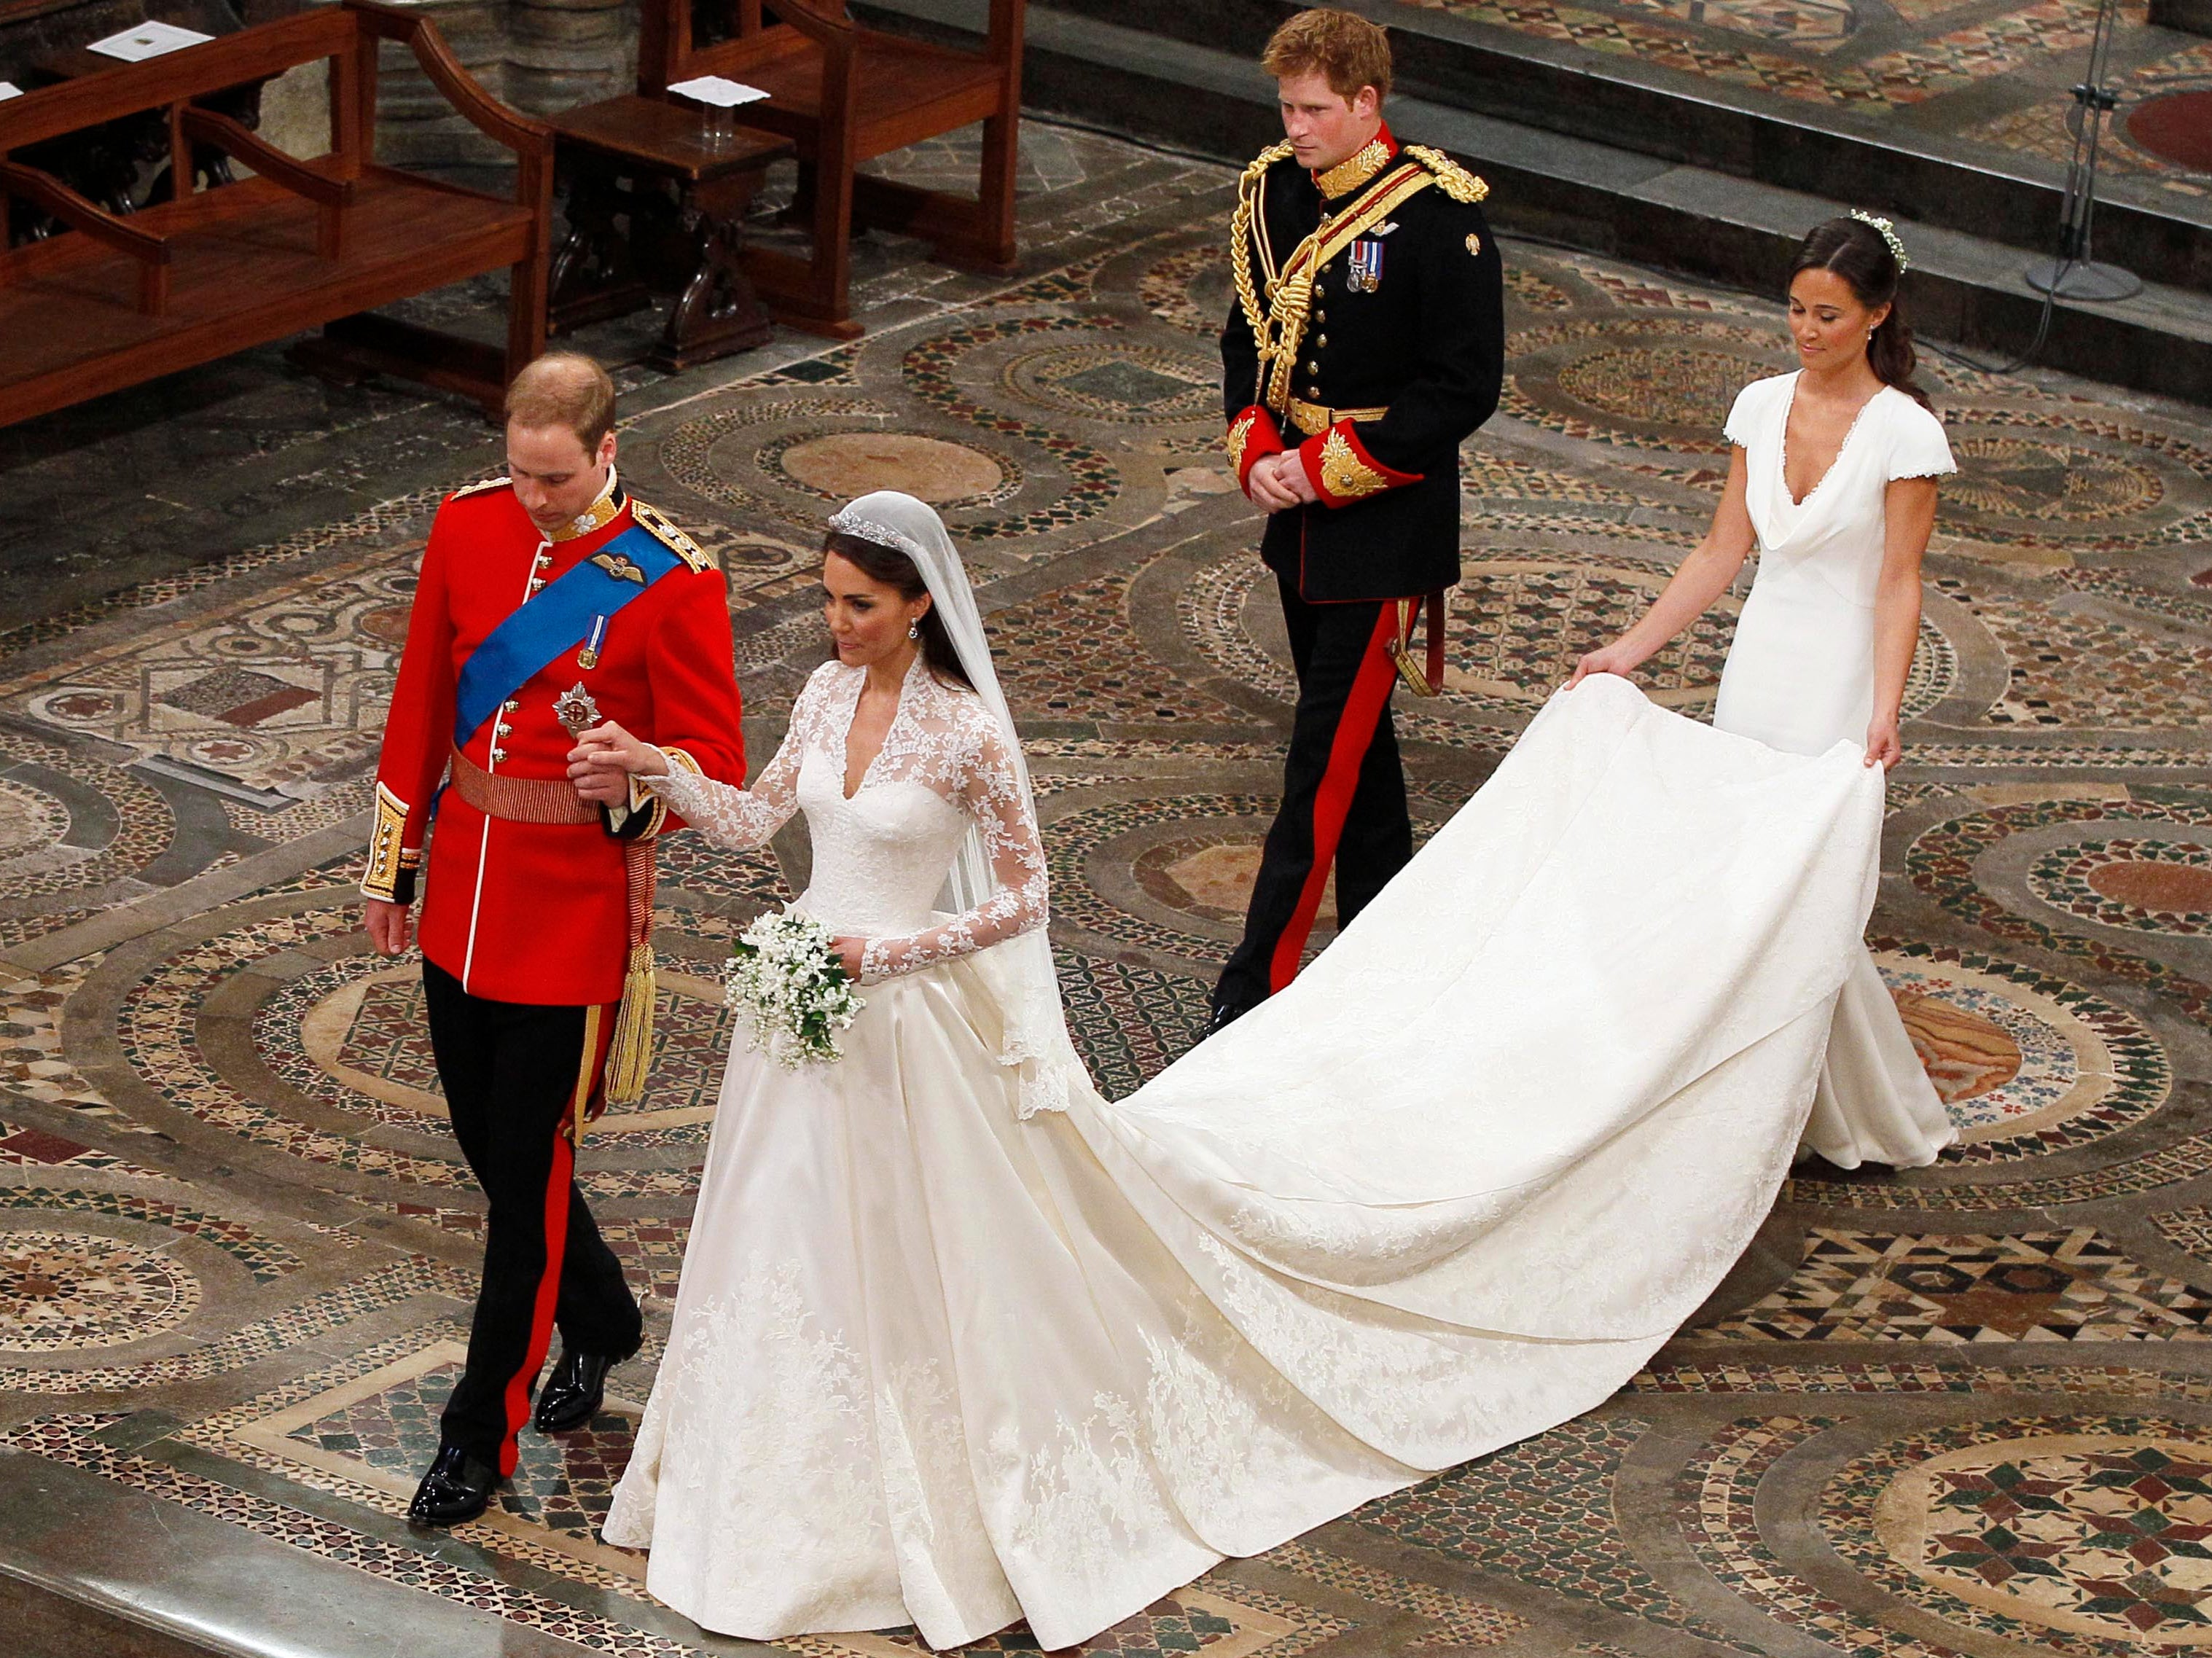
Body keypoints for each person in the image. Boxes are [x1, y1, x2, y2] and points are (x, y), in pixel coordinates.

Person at [574, 493, 1887, 1651]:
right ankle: (755, 1493)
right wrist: (661, 771)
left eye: (859, 604)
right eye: (827, 599)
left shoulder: (967, 734)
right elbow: (759, 823)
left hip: (907, 1024)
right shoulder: (815, 696)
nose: (836, 622)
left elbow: (1024, 898)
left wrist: (897, 947)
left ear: (920, 606)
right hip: (800, 1024)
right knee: (776, 1250)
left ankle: (911, 1501)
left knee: (916, 1262)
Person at [361, 351, 747, 1526]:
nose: (535, 499)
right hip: (466, 889)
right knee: (493, 1149)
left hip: (572, 914)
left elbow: (714, 769)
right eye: (520, 474)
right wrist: (395, 869)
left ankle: (479, 1434)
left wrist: (633, 776)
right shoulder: (466, 528)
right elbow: (424, 695)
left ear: (608, 450)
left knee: (525, 1178)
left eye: (558, 479)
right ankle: (609, 1318)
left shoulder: (672, 583)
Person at [1571, 213, 1961, 1170]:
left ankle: (1788, 1108)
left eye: (1829, 314)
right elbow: (1721, 550)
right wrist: (1632, 649)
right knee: (1744, 884)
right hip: (1761, 669)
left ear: (1878, 316)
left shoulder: (1906, 434)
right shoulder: (1757, 405)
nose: (1807, 330)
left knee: (1798, 892)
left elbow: (1899, 581)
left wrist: (1885, 706)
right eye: (1795, 309)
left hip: (1838, 680)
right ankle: (1758, 1100)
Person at [1210, 7, 1504, 1034]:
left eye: (1316, 110)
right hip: (1297, 517)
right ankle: (1392, 957)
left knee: (1320, 764)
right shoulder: (1276, 193)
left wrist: (1328, 469)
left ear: (1368, 103)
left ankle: (1257, 990)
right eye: (1287, 107)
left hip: (1384, 522)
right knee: (1361, 763)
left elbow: (1463, 386)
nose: (1295, 128)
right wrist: (1255, 447)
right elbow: (1247, 334)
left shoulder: (1437, 217)